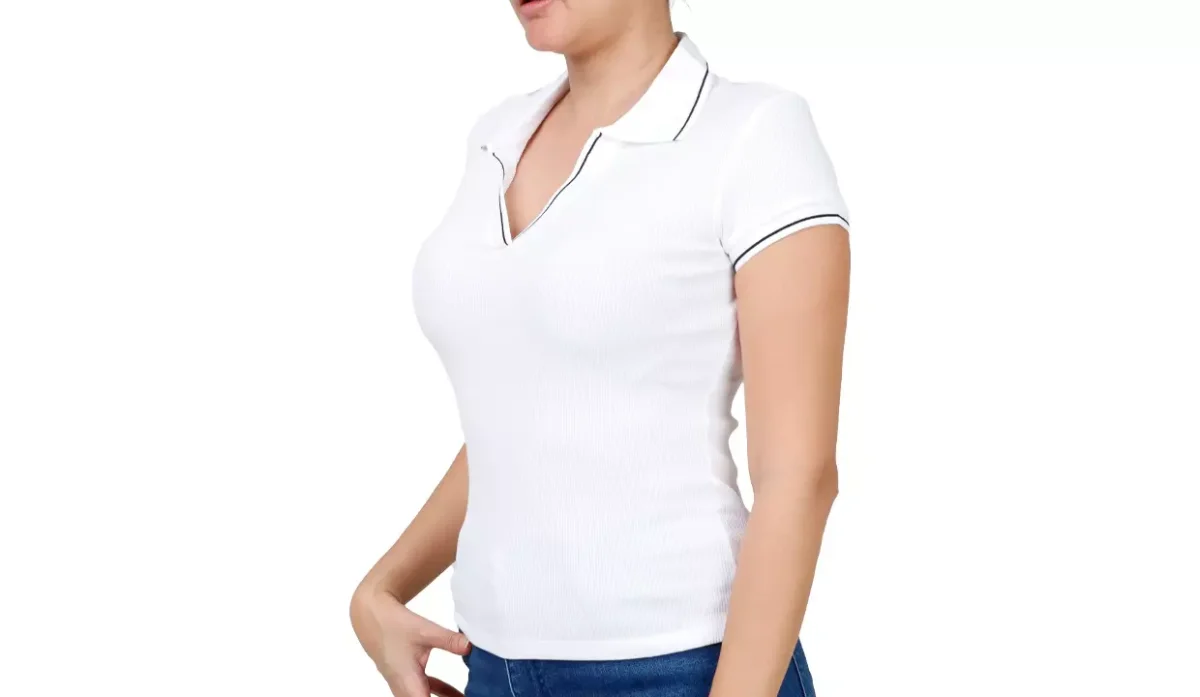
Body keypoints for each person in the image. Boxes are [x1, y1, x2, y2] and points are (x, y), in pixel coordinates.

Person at [350, 1, 850, 695]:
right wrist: (378, 590)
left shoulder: (753, 134)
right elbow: (524, 425)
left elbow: (800, 476)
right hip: (491, 664)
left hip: (683, 667)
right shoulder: (497, 136)